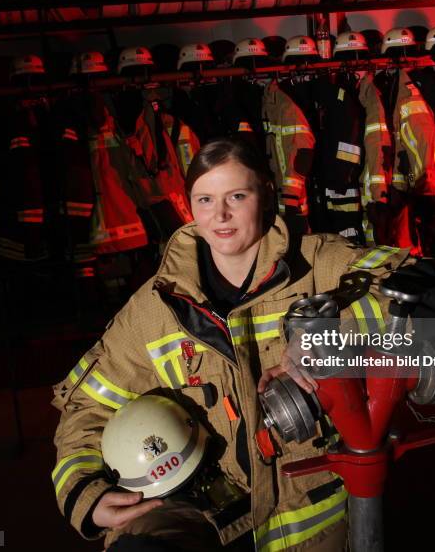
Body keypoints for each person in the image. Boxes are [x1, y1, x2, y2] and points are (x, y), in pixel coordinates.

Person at [51, 138, 411, 551]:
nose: (219, 215)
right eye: (205, 199)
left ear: (267, 193)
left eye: (236, 196)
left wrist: (320, 336)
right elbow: (86, 405)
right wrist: (84, 493)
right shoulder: (155, 307)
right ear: (189, 205)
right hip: (201, 520)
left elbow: (414, 286)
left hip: (310, 532)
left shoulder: (318, 264)